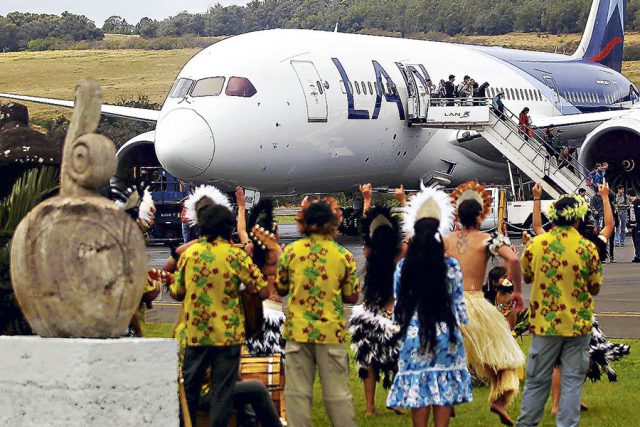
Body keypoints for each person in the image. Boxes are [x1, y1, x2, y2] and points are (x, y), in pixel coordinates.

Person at [171, 185, 270, 427]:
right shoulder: (236, 256)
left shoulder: (189, 256)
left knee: (190, 391)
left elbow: (176, 292)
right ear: (227, 228)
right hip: (227, 337)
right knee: (222, 393)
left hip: (196, 335)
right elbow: (264, 290)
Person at [387, 186, 473, 427]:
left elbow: (399, 308)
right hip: (446, 336)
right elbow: (458, 306)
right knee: (443, 390)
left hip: (415, 338)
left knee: (418, 390)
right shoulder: (451, 266)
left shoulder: (404, 267)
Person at [444, 181, 525, 426]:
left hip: (449, 305)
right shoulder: (486, 239)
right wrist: (514, 289)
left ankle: (446, 403)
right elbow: (514, 259)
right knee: (501, 357)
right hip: (476, 304)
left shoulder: (446, 240)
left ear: (457, 216)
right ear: (481, 215)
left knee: (447, 359)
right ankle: (498, 400)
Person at [517, 194, 602, 427]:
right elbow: (594, 287)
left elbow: (527, 275)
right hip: (577, 324)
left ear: (553, 217)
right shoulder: (587, 247)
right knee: (573, 380)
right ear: (578, 218)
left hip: (545, 323)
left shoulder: (536, 244)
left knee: (536, 380)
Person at [277, 197, 359, 427]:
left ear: (303, 222)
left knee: (297, 394)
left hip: (298, 331)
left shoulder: (291, 252)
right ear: (332, 223)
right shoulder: (342, 255)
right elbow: (351, 296)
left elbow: (281, 287)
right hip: (330, 331)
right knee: (338, 394)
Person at [349, 204, 403, 417]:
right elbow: (411, 236)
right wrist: (403, 202)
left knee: (368, 361)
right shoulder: (398, 253)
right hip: (393, 312)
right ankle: (396, 400)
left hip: (370, 313)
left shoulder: (368, 251)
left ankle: (370, 407)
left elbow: (366, 234)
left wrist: (366, 201)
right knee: (399, 358)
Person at [631, 191, 640, 262]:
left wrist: (632, 224)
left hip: (636, 224)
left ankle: (638, 255)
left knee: (636, 240)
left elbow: (632, 216)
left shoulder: (633, 203)